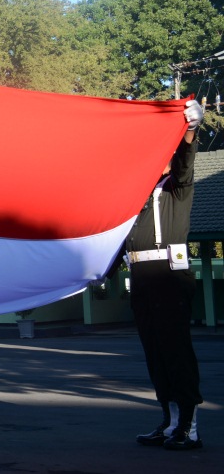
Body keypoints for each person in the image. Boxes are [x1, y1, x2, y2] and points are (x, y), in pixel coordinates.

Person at [129, 100, 204, 451]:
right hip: (141, 277)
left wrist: (190, 129)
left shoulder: (176, 186)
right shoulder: (131, 193)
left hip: (168, 275)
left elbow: (186, 164)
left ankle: (189, 426)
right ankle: (170, 420)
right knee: (155, 354)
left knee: (175, 352)